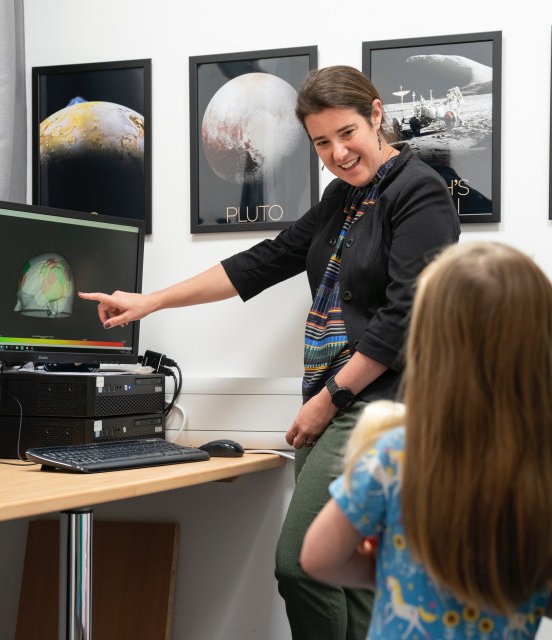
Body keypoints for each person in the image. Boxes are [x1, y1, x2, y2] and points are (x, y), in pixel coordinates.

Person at [79, 65, 460, 639]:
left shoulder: (419, 191)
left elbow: (403, 321)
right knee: (347, 575)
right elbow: (262, 261)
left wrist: (328, 400)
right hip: (338, 399)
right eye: (321, 142)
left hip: (378, 405)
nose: (338, 152)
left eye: (347, 133)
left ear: (376, 115)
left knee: (305, 564)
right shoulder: (343, 198)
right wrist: (151, 300)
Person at [301, 242, 552, 639]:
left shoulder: (394, 459)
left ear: (427, 347)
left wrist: (392, 574)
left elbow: (317, 559)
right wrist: (507, 589)